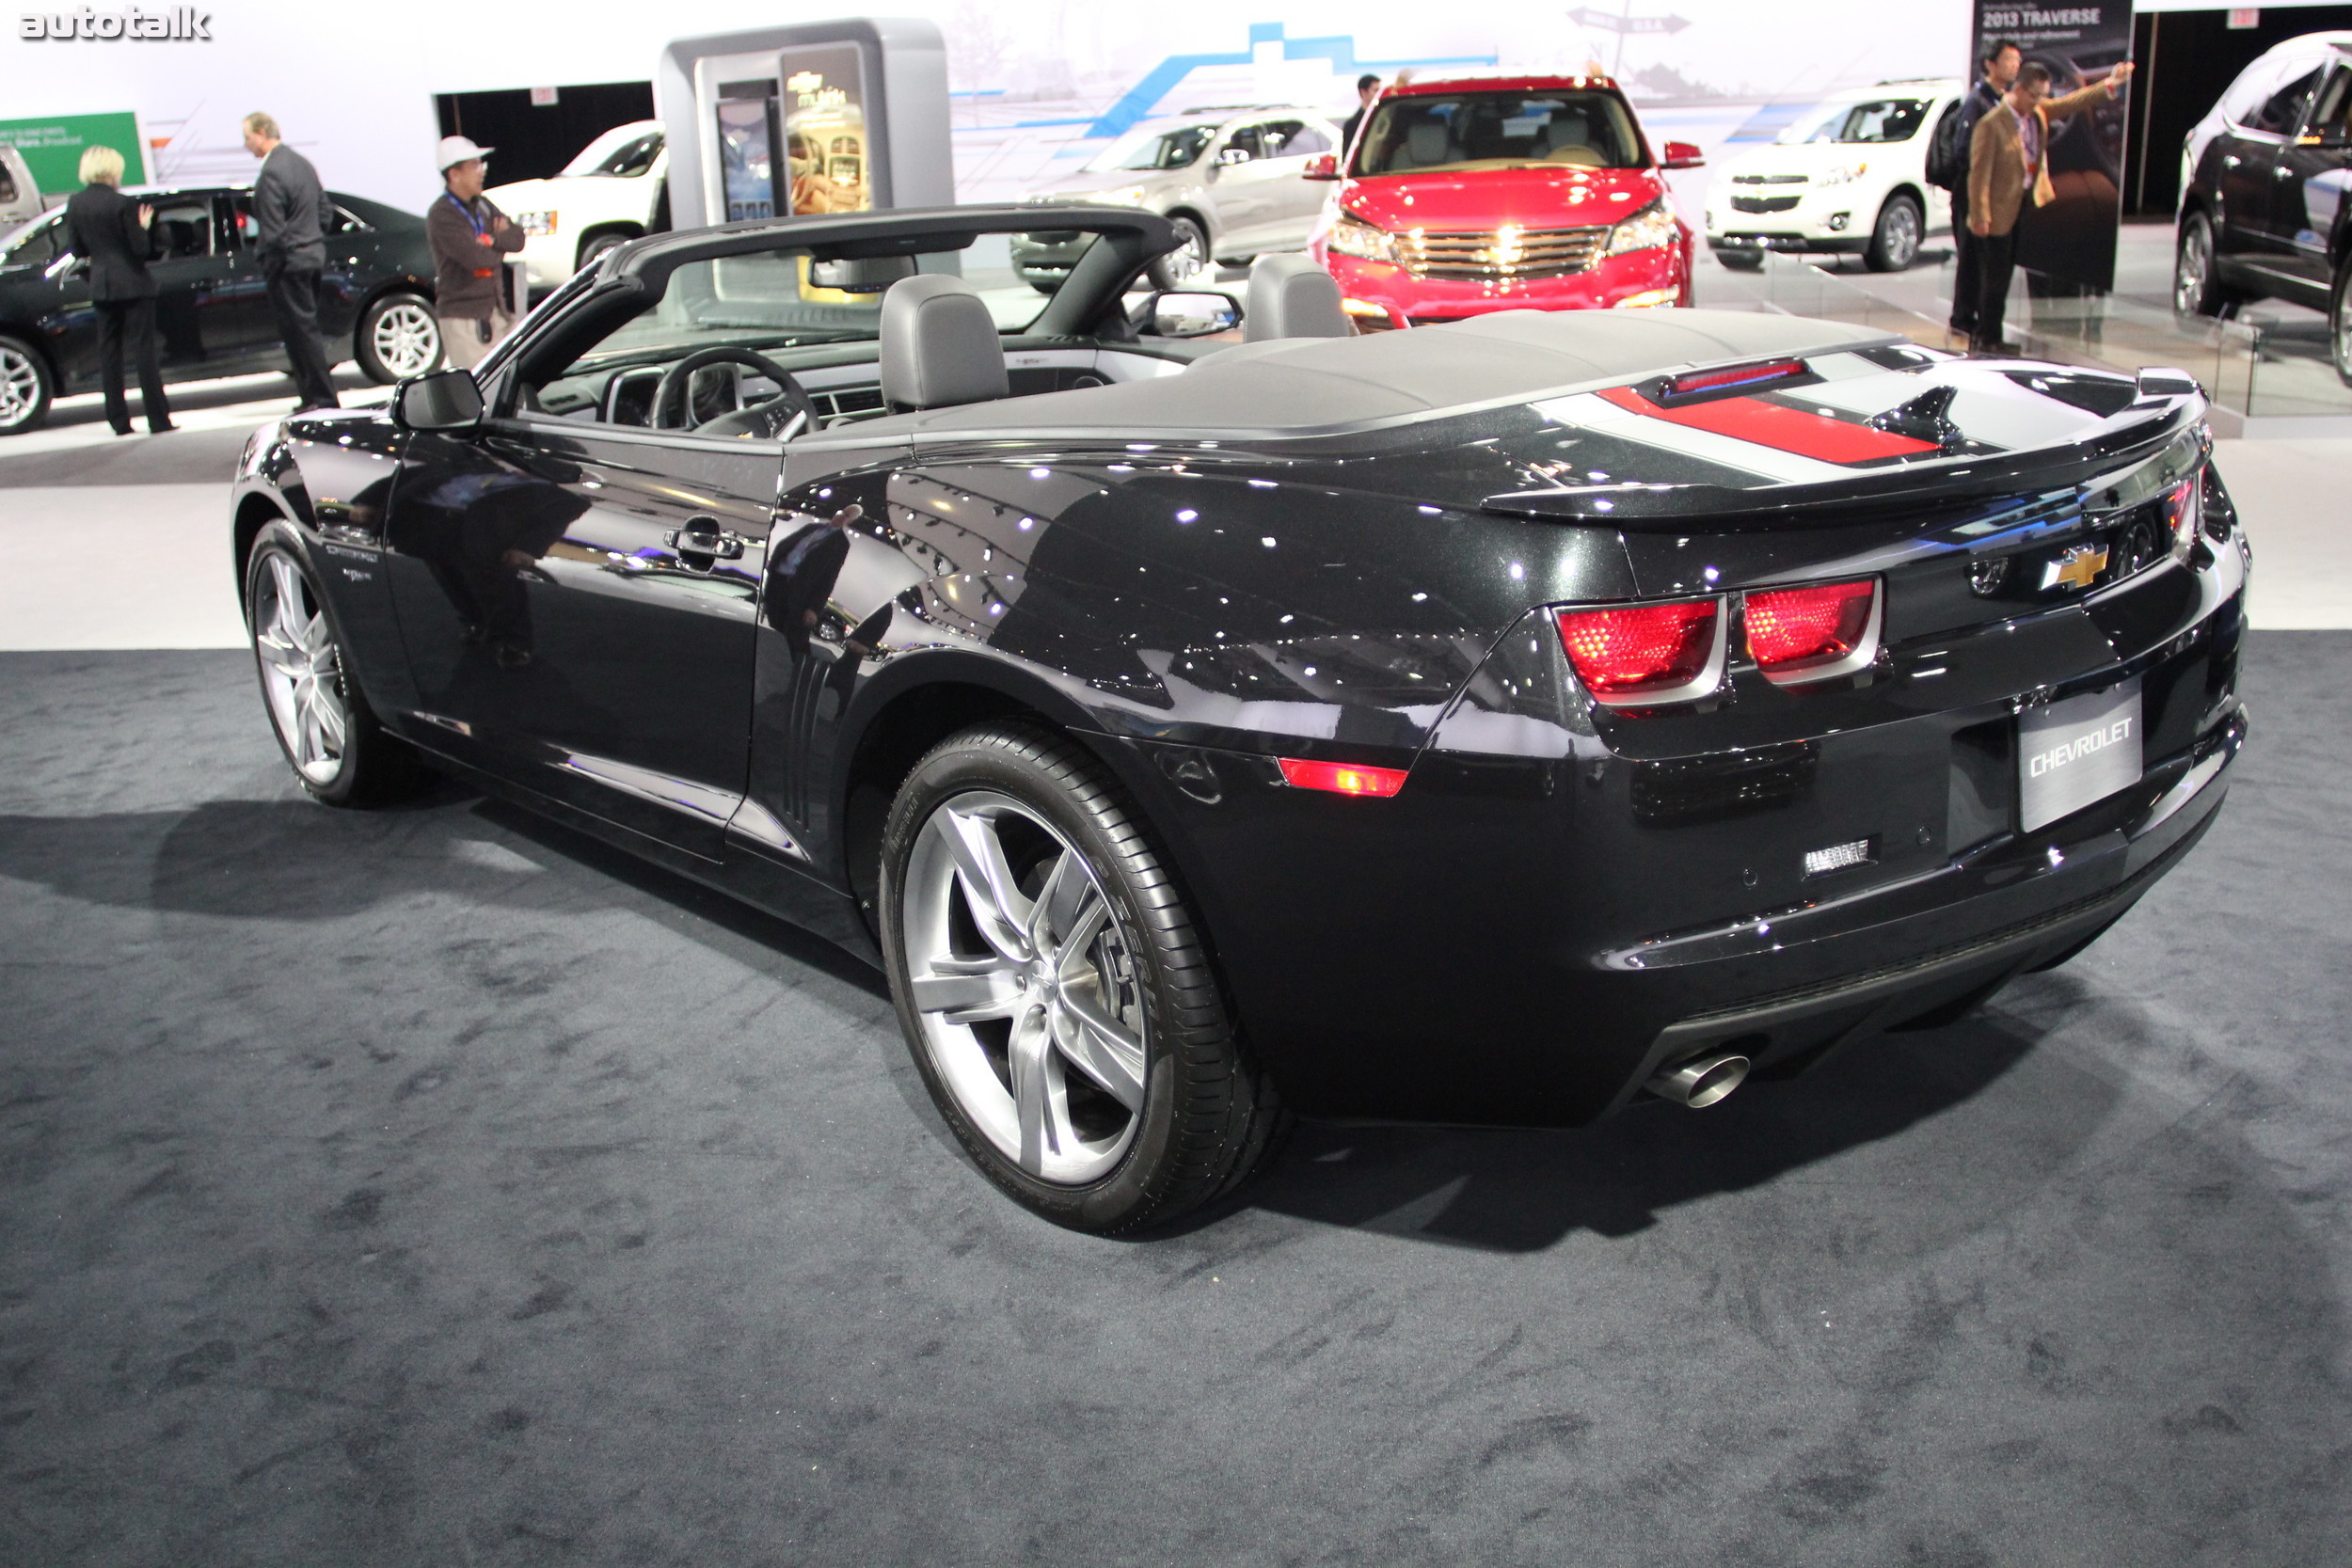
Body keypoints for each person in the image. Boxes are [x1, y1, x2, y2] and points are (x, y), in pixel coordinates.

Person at [1965, 57, 2133, 355]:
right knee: (1994, 281)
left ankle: (1991, 335)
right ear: (2018, 89)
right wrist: (1980, 216)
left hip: (2025, 207)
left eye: (2043, 95)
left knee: (2005, 276)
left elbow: (2072, 102)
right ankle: (1986, 336)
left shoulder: (2038, 114)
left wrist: (2109, 84)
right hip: (1996, 214)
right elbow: (1978, 175)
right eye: (2034, 95)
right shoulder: (1991, 125)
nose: (2039, 101)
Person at [63, 144, 173, 436]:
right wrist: (144, 226)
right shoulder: (124, 203)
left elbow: (77, 249)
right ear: (113, 169)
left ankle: (119, 422)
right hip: (134, 285)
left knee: (109, 355)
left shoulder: (75, 203)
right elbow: (140, 249)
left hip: (101, 286)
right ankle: (158, 420)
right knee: (144, 352)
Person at [244, 112, 340, 411]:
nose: (246, 145)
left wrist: (273, 261)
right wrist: (311, 239)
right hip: (310, 256)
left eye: (247, 137)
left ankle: (321, 398)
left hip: (288, 264)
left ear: (261, 133)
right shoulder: (301, 163)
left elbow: (273, 233)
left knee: (300, 332)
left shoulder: (271, 172)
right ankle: (313, 397)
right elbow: (325, 210)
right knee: (305, 328)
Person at [1943, 39, 2020, 348]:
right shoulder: (1978, 102)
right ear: (1991, 64)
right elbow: (1964, 152)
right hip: (1970, 188)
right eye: (2010, 59)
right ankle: (1964, 322)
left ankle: (1976, 324)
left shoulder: (2004, 101)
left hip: (1990, 190)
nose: (2015, 65)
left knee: (1983, 260)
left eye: (2018, 60)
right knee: (1971, 258)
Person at [426, 135, 525, 371]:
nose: (482, 171)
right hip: (464, 320)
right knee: (481, 391)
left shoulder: (483, 205)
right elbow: (477, 258)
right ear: (454, 174)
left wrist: (490, 240)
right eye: (474, 166)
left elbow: (518, 238)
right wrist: (498, 246)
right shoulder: (442, 214)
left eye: (482, 164)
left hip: (498, 313)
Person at [1341, 73, 1381, 156]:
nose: (1379, 94)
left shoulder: (1384, 117)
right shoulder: (1352, 125)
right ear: (1363, 92)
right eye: (1376, 90)